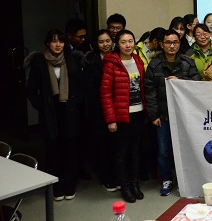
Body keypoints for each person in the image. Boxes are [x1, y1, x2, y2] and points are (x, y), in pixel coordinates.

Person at [26, 29, 84, 200]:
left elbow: (81, 87)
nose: (58, 45)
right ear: (47, 43)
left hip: (70, 111)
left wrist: (76, 103)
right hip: (50, 112)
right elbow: (31, 90)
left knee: (70, 149)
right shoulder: (39, 62)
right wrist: (41, 106)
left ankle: (70, 184)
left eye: (61, 41)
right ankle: (57, 186)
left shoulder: (73, 59)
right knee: (53, 150)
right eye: (54, 41)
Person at [145, 29, 200, 196]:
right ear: (162, 44)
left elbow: (197, 84)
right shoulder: (154, 64)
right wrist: (153, 115)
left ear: (179, 44)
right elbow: (149, 92)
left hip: (184, 115)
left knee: (186, 149)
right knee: (163, 151)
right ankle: (167, 179)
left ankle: (185, 180)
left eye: (175, 42)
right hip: (163, 115)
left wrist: (180, 81)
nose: (172, 46)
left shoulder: (187, 62)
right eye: (168, 42)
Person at [100, 30, 146, 203]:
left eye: (130, 41)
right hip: (120, 116)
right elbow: (105, 93)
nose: (128, 45)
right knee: (121, 154)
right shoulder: (111, 63)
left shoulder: (138, 60)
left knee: (135, 152)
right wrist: (111, 119)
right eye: (123, 42)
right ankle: (125, 187)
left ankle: (135, 184)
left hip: (138, 113)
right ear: (117, 44)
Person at [82, 29, 117, 192]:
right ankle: (106, 177)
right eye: (101, 42)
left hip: (117, 108)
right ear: (96, 44)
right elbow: (90, 89)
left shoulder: (117, 57)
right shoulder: (91, 61)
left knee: (117, 145)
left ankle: (118, 175)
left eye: (107, 41)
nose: (105, 44)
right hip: (98, 110)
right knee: (102, 145)